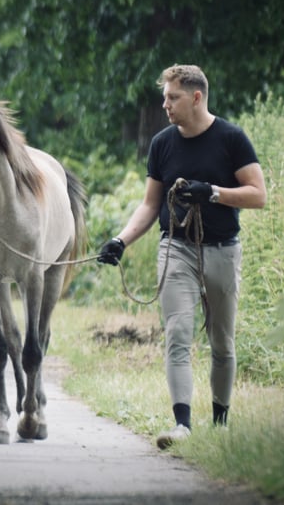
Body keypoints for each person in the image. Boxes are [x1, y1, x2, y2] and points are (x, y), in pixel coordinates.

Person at [98, 64, 266, 449]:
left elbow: (258, 194)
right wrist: (120, 241)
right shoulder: (162, 143)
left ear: (196, 97)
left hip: (223, 249)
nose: (165, 105)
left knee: (222, 341)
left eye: (172, 97)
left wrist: (212, 192)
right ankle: (182, 425)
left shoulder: (231, 139)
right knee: (176, 333)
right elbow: (149, 205)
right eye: (164, 98)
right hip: (176, 247)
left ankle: (220, 424)